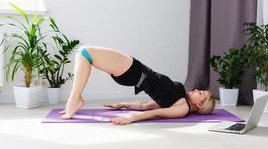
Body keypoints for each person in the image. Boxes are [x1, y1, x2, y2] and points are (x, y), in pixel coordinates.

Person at [60, 46, 215, 125]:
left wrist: (130, 118)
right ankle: (75, 99)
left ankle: (74, 100)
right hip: (134, 71)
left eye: (200, 93)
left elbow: (156, 113)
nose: (196, 90)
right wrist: (123, 105)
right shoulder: (180, 100)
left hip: (134, 71)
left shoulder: (182, 108)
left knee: (84, 52)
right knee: (82, 53)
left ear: (200, 104)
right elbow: (148, 105)